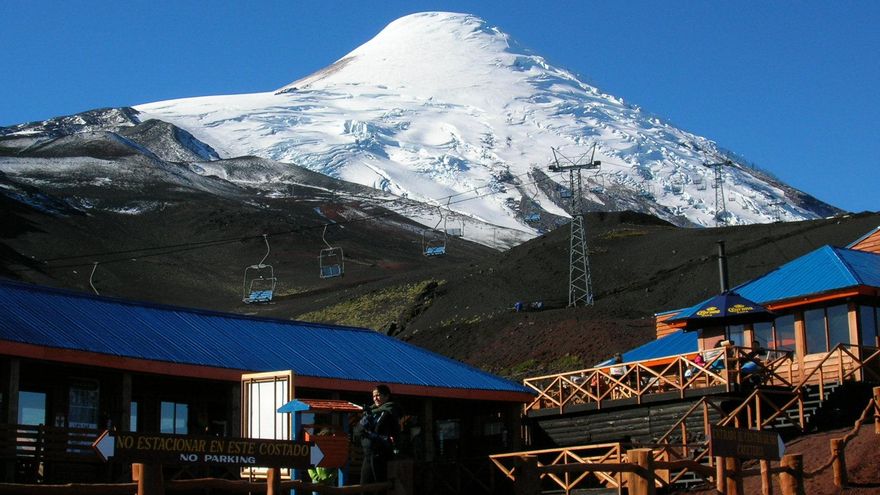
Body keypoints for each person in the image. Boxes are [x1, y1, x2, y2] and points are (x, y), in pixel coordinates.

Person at [359, 384, 401, 486]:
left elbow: (393, 433)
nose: (375, 398)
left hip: (382, 455)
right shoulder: (370, 411)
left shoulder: (391, 411)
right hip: (368, 454)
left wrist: (375, 436)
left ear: (386, 396)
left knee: (380, 485)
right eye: (373, 396)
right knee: (364, 485)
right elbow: (360, 429)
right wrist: (365, 421)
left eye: (378, 395)